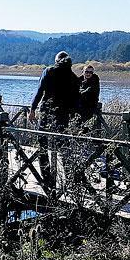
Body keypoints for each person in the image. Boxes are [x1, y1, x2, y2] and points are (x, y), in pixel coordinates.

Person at [28, 51, 79, 188]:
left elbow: (39, 92)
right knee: (64, 145)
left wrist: (32, 109)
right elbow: (75, 99)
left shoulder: (49, 71)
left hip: (47, 112)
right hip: (63, 115)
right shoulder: (73, 76)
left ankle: (46, 178)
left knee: (42, 143)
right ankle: (70, 177)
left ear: (56, 60)